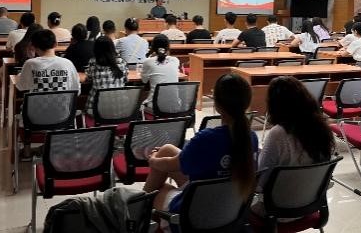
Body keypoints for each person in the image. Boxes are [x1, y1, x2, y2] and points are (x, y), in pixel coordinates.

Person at [142, 73, 258, 213]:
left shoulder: (206, 139)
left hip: (196, 210)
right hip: (230, 207)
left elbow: (169, 164)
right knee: (167, 149)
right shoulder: (251, 137)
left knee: (157, 190)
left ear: (217, 104)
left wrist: (153, 159)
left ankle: (138, 213)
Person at [251, 76, 334, 217]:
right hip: (310, 206)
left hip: (276, 211)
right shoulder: (322, 129)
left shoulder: (278, 134)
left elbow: (260, 183)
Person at [16, 29, 80, 93]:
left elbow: (21, 87)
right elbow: (77, 91)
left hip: (37, 99)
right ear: (56, 44)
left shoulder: (30, 64)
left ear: (33, 46)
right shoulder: (68, 63)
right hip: (64, 100)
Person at [84, 36, 128, 113]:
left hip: (97, 111)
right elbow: (125, 79)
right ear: (112, 48)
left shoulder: (93, 62)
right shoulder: (121, 62)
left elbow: (89, 78)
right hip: (120, 109)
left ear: (96, 49)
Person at [141, 35, 180, 112]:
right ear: (168, 47)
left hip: (154, 106)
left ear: (152, 47)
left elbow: (144, 81)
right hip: (174, 105)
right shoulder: (175, 60)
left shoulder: (148, 61)